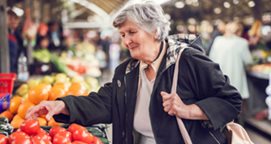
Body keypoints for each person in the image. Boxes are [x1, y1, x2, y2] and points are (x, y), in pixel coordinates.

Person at [26, 2, 242, 144]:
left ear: (155, 30)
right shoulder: (127, 71)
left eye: (132, 32)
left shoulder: (187, 61)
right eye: (122, 34)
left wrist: (189, 110)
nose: (126, 40)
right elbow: (106, 102)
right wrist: (62, 104)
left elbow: (231, 100)